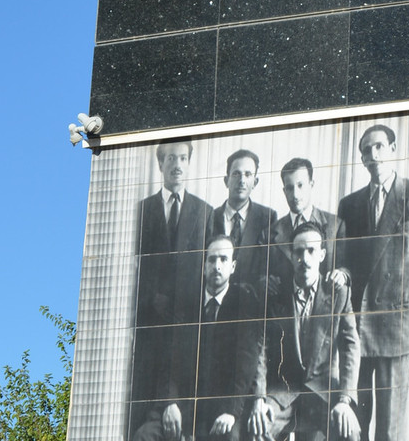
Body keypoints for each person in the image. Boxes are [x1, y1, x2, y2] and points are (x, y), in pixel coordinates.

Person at [132, 236, 263, 441]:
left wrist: (231, 412)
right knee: (144, 436)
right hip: (183, 407)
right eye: (211, 260)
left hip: (222, 409)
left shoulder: (244, 303)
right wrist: (170, 402)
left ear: (233, 266)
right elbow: (168, 360)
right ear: (204, 266)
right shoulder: (186, 303)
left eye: (223, 260)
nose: (217, 266)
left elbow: (245, 367)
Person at [336, 125, 409, 441]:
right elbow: (345, 258)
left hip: (395, 325)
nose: (374, 156)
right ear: (361, 159)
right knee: (353, 422)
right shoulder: (350, 204)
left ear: (393, 149)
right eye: (367, 151)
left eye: (380, 147)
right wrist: (342, 272)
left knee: (389, 427)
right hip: (357, 326)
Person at [249, 222, 361, 441]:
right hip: (283, 390)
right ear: (291, 256)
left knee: (350, 431)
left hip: (323, 391)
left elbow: (351, 347)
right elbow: (261, 349)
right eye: (299, 252)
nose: (305, 258)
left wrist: (345, 400)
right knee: (258, 427)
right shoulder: (275, 294)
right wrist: (259, 399)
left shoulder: (339, 293)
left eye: (311, 251)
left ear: (322, 255)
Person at [137, 139, 213, 326]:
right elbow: (134, 264)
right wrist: (152, 297)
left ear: (188, 164)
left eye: (183, 158)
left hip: (189, 314)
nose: (177, 165)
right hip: (149, 314)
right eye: (171, 158)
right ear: (160, 164)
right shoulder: (141, 210)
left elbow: (207, 263)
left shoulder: (206, 211)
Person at [208, 148, 277, 295]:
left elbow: (269, 267)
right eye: (236, 174)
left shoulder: (268, 218)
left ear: (255, 182)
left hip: (252, 301)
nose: (242, 181)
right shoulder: (209, 217)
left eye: (248, 174)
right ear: (226, 181)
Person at [270, 157, 346, 282]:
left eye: (300, 185)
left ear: (311, 185)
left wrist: (342, 274)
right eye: (289, 188)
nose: (295, 195)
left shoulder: (336, 226)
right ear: (284, 191)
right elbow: (261, 276)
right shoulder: (270, 233)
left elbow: (345, 267)